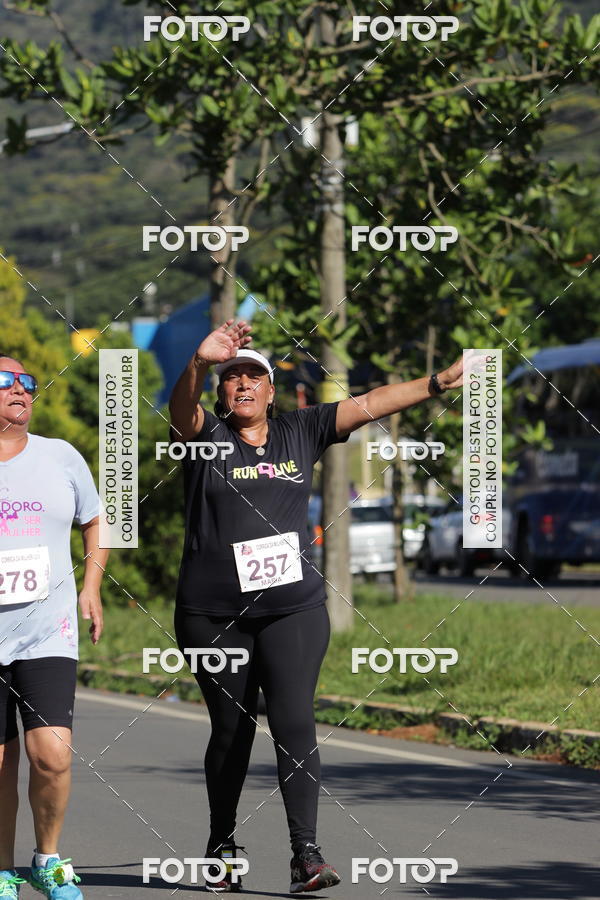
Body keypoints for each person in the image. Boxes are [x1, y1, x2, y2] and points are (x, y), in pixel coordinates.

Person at [169, 320, 463, 893]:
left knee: (295, 719)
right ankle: (221, 844)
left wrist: (437, 382)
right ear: (223, 392)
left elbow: (371, 402)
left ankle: (307, 853)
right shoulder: (206, 437)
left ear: (272, 390)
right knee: (231, 730)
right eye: (233, 379)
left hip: (292, 608)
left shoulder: (299, 431)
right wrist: (199, 364)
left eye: (255, 377)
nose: (244, 386)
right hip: (212, 617)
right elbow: (183, 410)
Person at [0, 354, 108, 900]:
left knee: (52, 753)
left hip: (48, 630)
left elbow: (95, 520)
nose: (21, 389)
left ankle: (47, 858)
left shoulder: (60, 456)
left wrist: (90, 589)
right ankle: (1, 870)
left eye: (27, 382)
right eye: (6, 381)